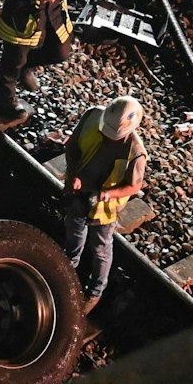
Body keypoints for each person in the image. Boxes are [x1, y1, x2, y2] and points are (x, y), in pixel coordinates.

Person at [59, 95, 148, 312]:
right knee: (74, 227)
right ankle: (69, 263)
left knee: (100, 249)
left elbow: (134, 186)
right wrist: (73, 175)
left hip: (104, 209)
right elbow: (72, 146)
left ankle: (95, 292)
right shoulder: (92, 117)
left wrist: (105, 195)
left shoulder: (136, 153)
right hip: (79, 192)